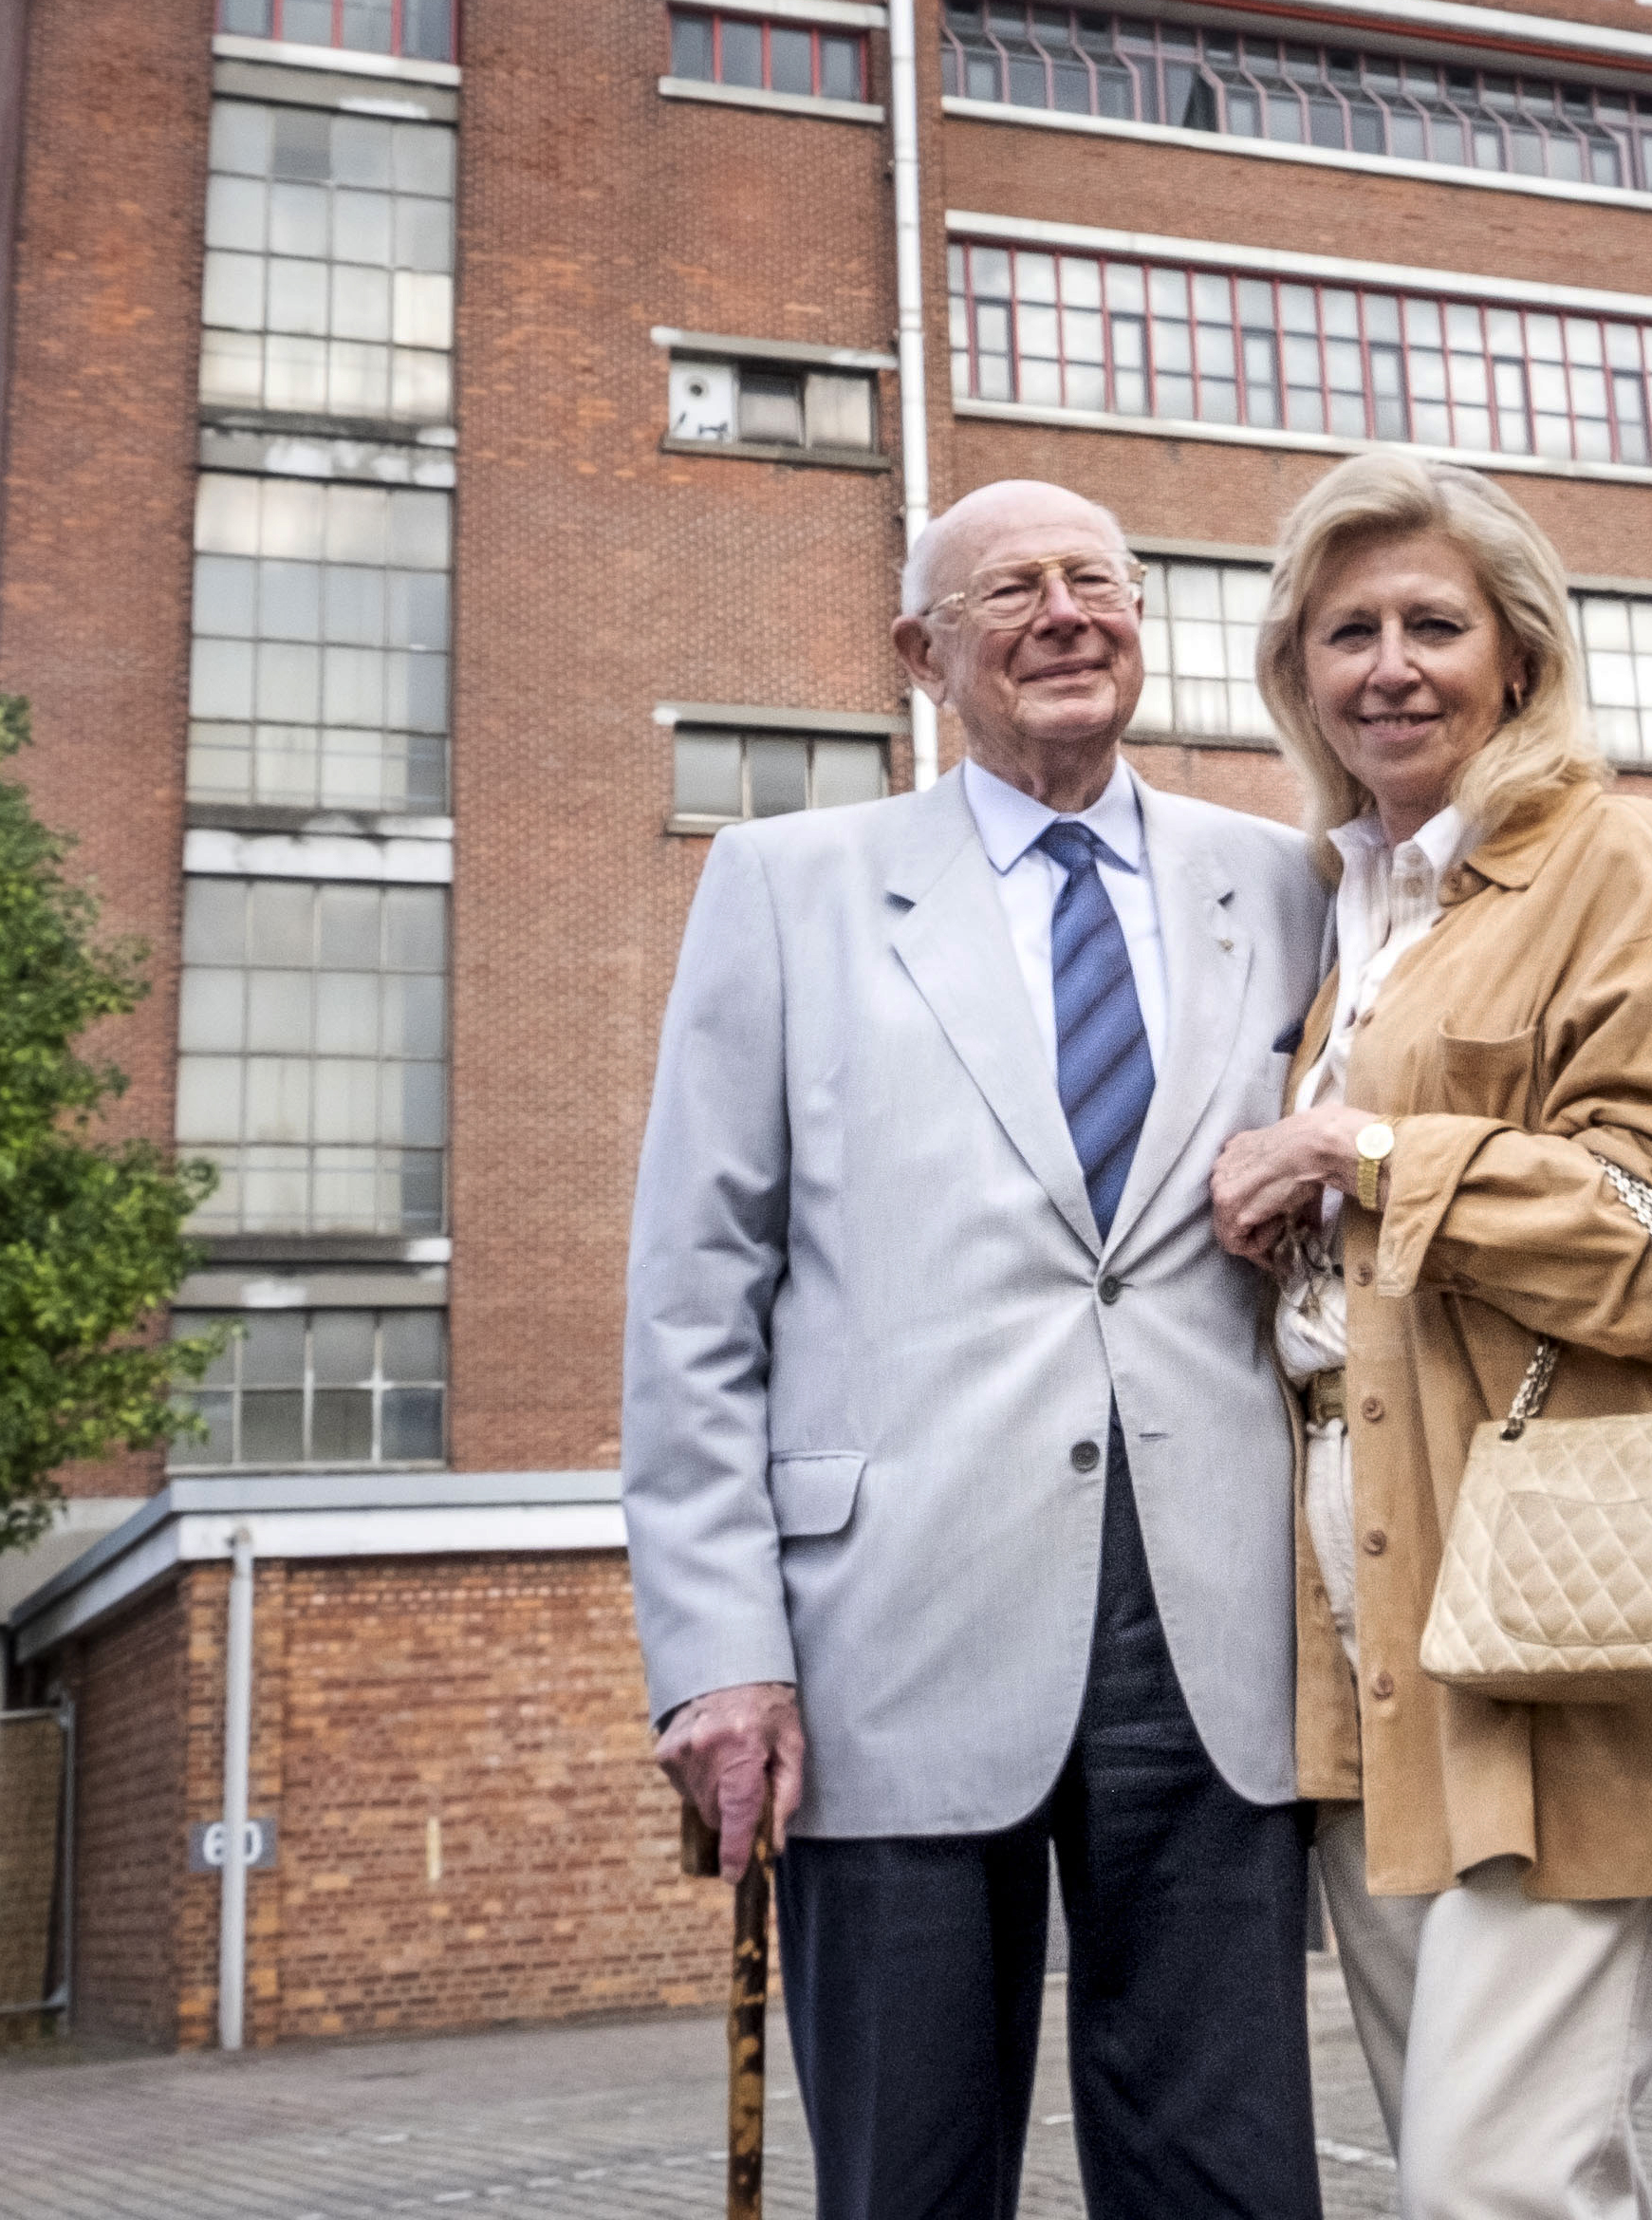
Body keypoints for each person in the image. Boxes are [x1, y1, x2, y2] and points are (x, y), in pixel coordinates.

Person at [626, 480, 1332, 2220]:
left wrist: (1612, 1234)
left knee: (1228, 2180)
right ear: (919, 655)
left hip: (1216, 1636)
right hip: (885, 1651)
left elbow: (1415, 1133)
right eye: (1009, 589)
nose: (1066, 612)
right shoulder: (787, 886)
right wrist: (720, 1651)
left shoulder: (1289, 883)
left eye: (1099, 578)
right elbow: (694, 1298)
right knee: (910, 2179)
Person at [1205, 453, 1652, 2220]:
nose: (1388, 663)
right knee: (1477, 2173)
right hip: (1360, 1627)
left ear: (1518, 657)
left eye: (1432, 625)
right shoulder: (1350, 916)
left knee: (1495, 2186)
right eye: (1346, 630)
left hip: (1564, 1616)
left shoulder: (1625, 861)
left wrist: (1354, 1149)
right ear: (1299, 674)